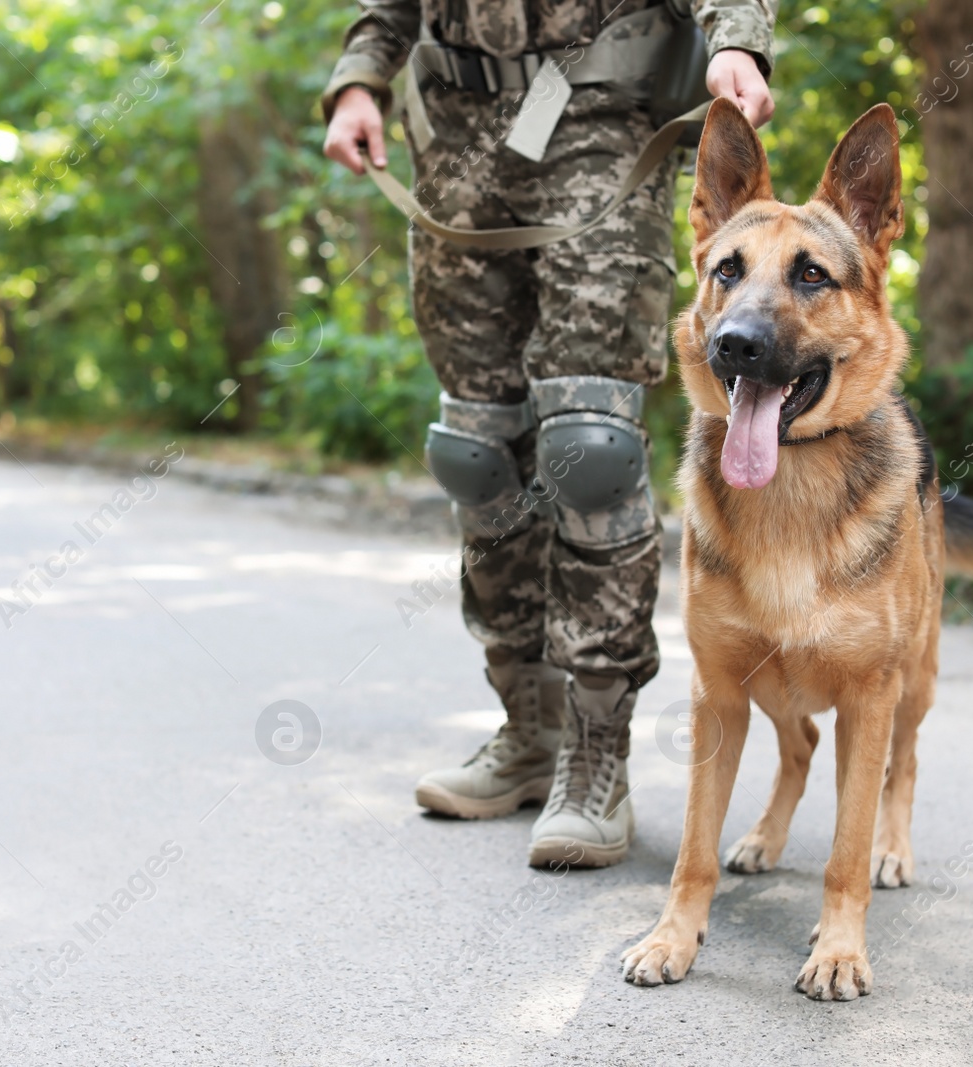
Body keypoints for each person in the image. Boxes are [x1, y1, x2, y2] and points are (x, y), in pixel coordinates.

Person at [322, 0, 777, 868]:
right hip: (455, 142)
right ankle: (526, 730)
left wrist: (738, 46)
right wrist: (358, 80)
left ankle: (598, 751)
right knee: (478, 450)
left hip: (600, 126)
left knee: (590, 450)